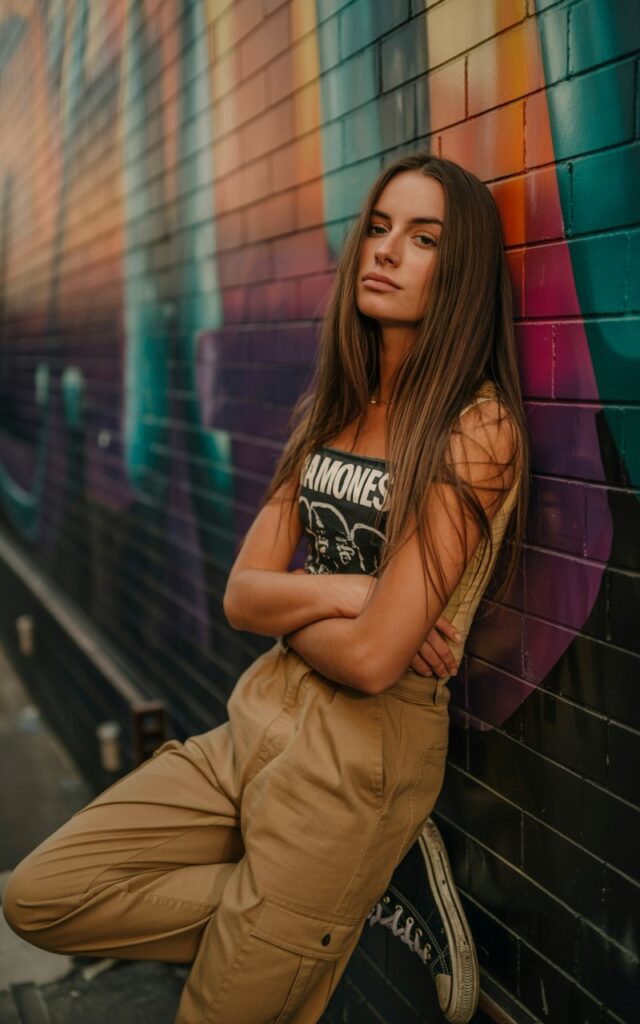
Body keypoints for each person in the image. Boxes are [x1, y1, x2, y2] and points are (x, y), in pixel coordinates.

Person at [2, 152, 528, 1024]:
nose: (386, 250)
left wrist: (315, 599)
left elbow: (368, 663)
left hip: (358, 758)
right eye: (379, 227)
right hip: (260, 718)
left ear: (461, 270)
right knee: (43, 894)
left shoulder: (478, 430)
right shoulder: (334, 406)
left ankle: (311, 907)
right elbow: (241, 595)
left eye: (423, 237)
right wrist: (357, 591)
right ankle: (322, 909)